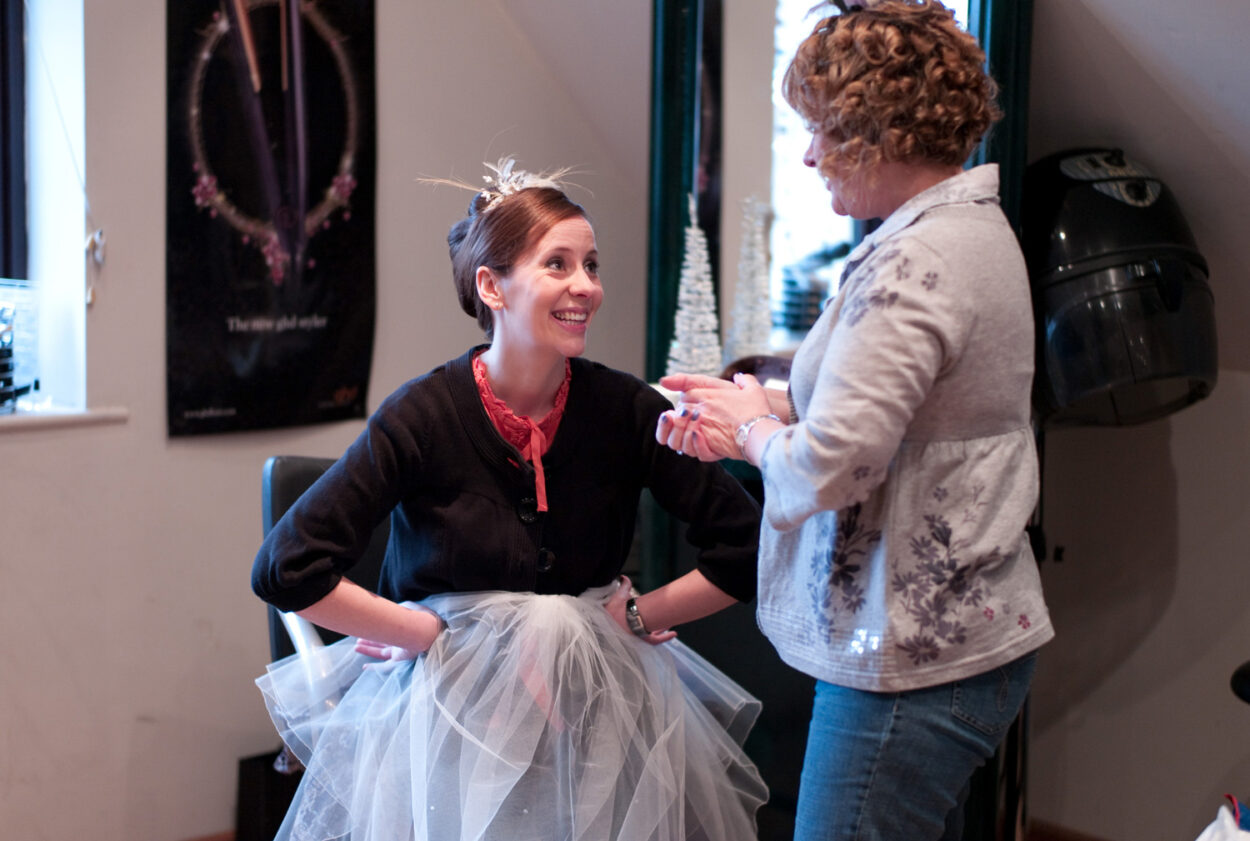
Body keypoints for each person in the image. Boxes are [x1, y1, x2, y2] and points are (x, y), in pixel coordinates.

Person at [251, 158, 767, 841]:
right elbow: (286, 565)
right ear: (492, 286)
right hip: (447, 721)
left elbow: (751, 544)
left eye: (592, 265)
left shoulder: (624, 410)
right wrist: (420, 631)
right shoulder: (424, 414)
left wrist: (642, 613)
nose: (586, 286)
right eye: (558, 264)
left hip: (595, 717)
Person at [656, 2, 1054, 839]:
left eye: (821, 130)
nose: (806, 155)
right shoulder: (973, 230)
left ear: (877, 130)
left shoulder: (914, 261)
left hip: (910, 662)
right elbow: (914, 414)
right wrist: (758, 408)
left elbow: (831, 467)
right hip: (966, 634)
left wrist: (759, 438)